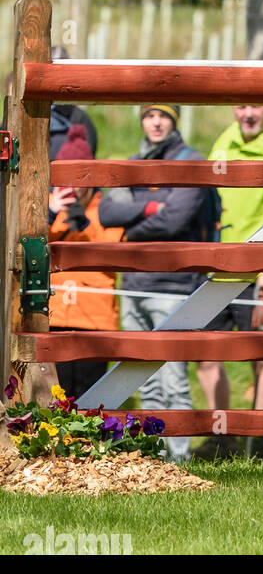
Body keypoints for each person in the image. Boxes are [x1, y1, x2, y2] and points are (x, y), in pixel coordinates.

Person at [97, 104, 209, 463]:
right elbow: (106, 211)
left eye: (163, 116)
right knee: (142, 378)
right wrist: (150, 208)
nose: (156, 122)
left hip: (173, 285)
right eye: (149, 116)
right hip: (133, 284)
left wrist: (130, 230)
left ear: (175, 120)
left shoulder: (191, 162)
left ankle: (180, 460)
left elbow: (176, 220)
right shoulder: (131, 163)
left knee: (174, 379)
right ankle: (151, 458)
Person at [196, 104, 263, 458]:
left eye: (255, 106)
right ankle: (222, 436)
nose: (247, 114)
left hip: (262, 272)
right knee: (206, 353)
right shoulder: (224, 140)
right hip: (217, 269)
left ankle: (259, 440)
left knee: (261, 356)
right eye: (240, 106)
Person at [48, 124, 124, 400]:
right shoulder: (47, 206)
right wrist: (51, 211)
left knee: (92, 400)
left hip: (95, 321)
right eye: (65, 178)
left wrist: (81, 217)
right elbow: (26, 242)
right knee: (55, 399)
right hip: (54, 317)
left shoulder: (106, 207)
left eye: (79, 178)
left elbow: (111, 248)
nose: (73, 187)